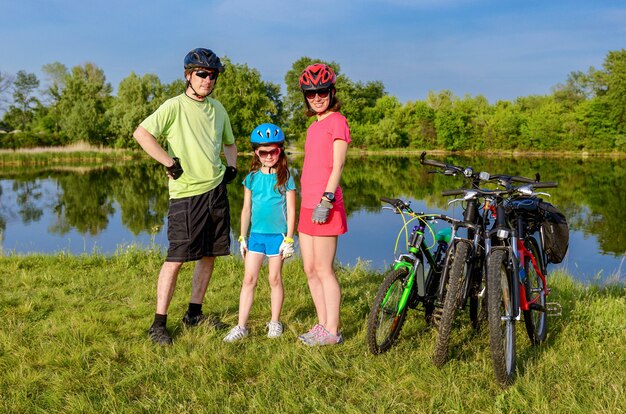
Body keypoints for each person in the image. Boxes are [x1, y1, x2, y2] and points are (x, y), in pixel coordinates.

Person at [133, 48, 238, 345]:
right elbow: (142, 134)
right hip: (186, 195)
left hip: (215, 191)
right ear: (188, 76)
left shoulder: (218, 109)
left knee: (209, 255)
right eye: (201, 74)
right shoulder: (174, 106)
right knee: (176, 258)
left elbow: (230, 144)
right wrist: (169, 162)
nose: (207, 79)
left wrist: (231, 166)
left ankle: (194, 313)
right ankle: (158, 324)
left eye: (212, 75)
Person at [223, 123, 296, 342]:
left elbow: (292, 211)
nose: (268, 156)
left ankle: (275, 322)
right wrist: (242, 237)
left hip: (277, 238)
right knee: (249, 279)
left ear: (279, 150)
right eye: (263, 152)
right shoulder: (252, 178)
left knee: (275, 279)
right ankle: (241, 326)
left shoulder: (286, 178)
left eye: (272, 151)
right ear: (257, 152)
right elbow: (246, 210)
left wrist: (290, 239)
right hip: (256, 236)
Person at [296, 63, 351, 346]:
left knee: (324, 269)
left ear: (331, 92)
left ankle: (333, 330)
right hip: (307, 205)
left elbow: (337, 164)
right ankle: (321, 324)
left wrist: (327, 199)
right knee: (309, 269)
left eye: (321, 92)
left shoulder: (337, 121)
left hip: (325, 204)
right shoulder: (313, 125)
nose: (316, 97)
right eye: (311, 93)